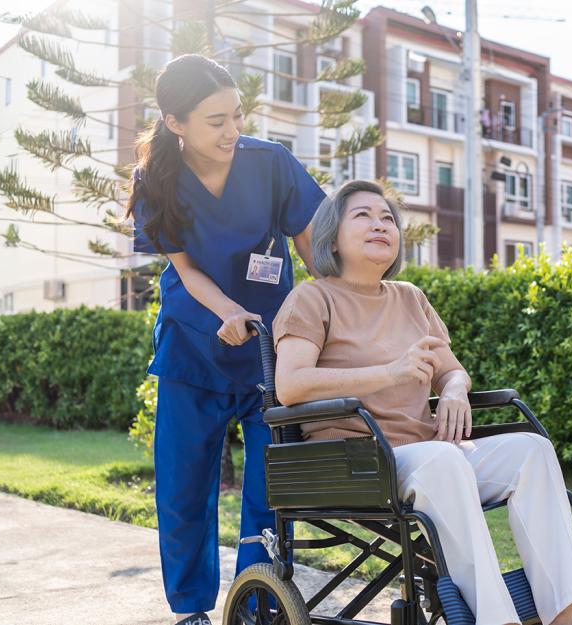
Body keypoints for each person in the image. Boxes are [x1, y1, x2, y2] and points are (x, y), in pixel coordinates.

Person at [271, 180, 572, 625]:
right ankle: (496, 620)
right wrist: (389, 373)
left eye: (388, 219)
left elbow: (451, 370)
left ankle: (569, 616)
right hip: (356, 459)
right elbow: (291, 385)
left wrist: (453, 389)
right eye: (363, 215)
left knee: (531, 450)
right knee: (443, 462)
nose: (380, 225)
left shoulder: (411, 298)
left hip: (425, 453)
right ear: (331, 236)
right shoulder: (312, 297)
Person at [125, 54, 326, 625]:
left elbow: (316, 257)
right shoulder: (155, 180)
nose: (232, 131)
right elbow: (187, 271)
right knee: (184, 492)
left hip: (274, 356)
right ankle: (191, 610)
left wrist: (334, 318)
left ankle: (257, 603)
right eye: (215, 120)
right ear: (175, 123)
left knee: (270, 494)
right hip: (194, 348)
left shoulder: (271, 164)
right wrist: (231, 311)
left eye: (236, 115)